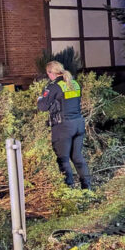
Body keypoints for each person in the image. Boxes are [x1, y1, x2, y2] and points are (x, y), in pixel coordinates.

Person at [37, 61, 91, 189]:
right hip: (78, 124)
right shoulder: (74, 83)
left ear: (51, 73)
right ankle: (87, 188)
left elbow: (43, 106)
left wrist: (40, 98)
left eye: (48, 73)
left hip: (63, 127)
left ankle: (69, 190)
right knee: (77, 157)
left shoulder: (53, 86)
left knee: (63, 159)